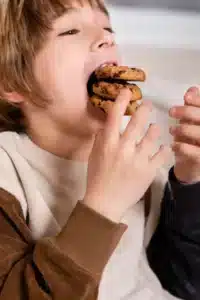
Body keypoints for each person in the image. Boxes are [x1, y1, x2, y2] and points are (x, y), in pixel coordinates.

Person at [0, 0, 200, 299]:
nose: (107, 38)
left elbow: (184, 282)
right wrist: (103, 205)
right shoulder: (7, 173)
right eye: (70, 31)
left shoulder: (138, 163)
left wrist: (190, 184)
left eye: (108, 28)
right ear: (12, 81)